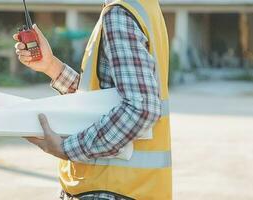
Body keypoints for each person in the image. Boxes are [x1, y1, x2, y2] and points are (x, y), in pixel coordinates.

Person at [13, 0, 171, 199]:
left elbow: (141, 109)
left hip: (111, 188)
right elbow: (102, 98)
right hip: (133, 188)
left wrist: (66, 148)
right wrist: (51, 66)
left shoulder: (119, 14)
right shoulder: (142, 7)